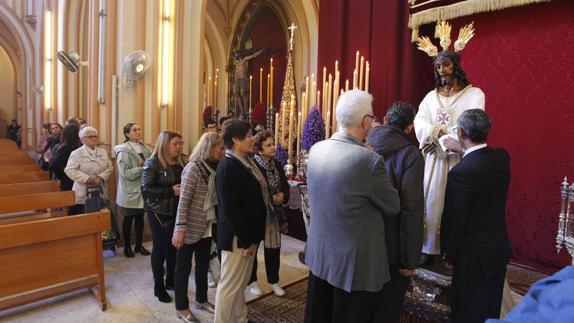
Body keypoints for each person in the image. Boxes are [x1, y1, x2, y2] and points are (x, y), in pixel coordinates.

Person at [304, 90, 400, 323]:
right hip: (353, 265)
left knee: (319, 314)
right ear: (366, 121)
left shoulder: (316, 149)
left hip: (320, 253)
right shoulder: (368, 160)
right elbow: (393, 205)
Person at [414, 49, 485, 265]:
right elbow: (420, 121)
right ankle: (428, 248)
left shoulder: (474, 95)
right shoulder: (430, 97)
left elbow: (473, 123)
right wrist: (433, 134)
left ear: (456, 65)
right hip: (434, 161)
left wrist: (444, 137)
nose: (441, 70)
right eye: (437, 66)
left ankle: (452, 251)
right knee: (432, 203)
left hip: (459, 160)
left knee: (456, 206)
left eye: (445, 64)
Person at [440, 109, 511, 323]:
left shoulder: (461, 173)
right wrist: (464, 150)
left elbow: (455, 219)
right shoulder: (501, 158)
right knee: (490, 307)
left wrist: (448, 254)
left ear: (461, 133)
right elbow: (481, 166)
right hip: (497, 247)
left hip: (472, 256)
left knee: (467, 310)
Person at [367, 101, 424, 323]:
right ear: (409, 128)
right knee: (387, 309)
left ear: (385, 120)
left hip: (362, 239)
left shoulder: (363, 143)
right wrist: (410, 260)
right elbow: (411, 209)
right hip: (391, 247)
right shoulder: (411, 155)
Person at [214, 119, 267, 323]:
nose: (252, 139)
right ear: (235, 140)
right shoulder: (228, 167)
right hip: (237, 239)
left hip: (247, 236)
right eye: (248, 136)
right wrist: (245, 241)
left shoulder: (244, 161)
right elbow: (231, 211)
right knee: (229, 286)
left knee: (240, 283)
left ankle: (239, 318)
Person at [171, 132, 225, 322]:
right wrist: (180, 228)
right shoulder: (193, 169)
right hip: (189, 226)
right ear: (209, 148)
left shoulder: (215, 167)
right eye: (221, 148)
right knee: (183, 269)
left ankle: (201, 299)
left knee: (203, 266)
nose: (223, 152)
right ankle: (182, 307)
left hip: (208, 225)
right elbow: (183, 201)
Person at [141, 131, 184, 303]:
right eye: (176, 144)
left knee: (174, 248)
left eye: (181, 143)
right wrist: (170, 191)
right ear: (165, 145)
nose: (180, 147)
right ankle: (158, 287)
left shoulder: (180, 164)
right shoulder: (152, 163)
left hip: (176, 212)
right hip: (158, 212)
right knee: (160, 249)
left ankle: (170, 281)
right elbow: (146, 190)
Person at [248, 130, 290, 297]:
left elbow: (285, 186)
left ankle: (274, 281)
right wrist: (271, 198)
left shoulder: (277, 164)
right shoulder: (252, 165)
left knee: (273, 249)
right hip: (258, 214)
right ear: (259, 149)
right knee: (253, 249)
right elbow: (252, 192)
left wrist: (283, 196)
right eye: (268, 145)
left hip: (274, 215)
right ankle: (251, 281)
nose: (273, 148)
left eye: (273, 144)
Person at [114, 123, 152, 258]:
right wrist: (142, 168)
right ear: (127, 134)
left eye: (139, 129)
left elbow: (151, 164)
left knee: (140, 219)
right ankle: (127, 247)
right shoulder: (123, 150)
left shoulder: (144, 148)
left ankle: (139, 245)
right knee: (128, 220)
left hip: (142, 189)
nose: (138, 131)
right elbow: (125, 173)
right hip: (129, 191)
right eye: (135, 130)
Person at [64, 126, 113, 215]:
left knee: (100, 218)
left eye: (95, 136)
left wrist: (100, 177)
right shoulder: (76, 153)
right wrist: (87, 179)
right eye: (90, 137)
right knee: (84, 220)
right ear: (83, 140)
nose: (94, 138)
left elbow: (109, 168)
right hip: (83, 190)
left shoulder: (103, 152)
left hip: (100, 189)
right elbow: (70, 170)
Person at [50, 123, 82, 191]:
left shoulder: (80, 145)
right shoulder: (66, 147)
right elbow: (54, 165)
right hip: (69, 182)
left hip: (80, 180)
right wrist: (64, 177)